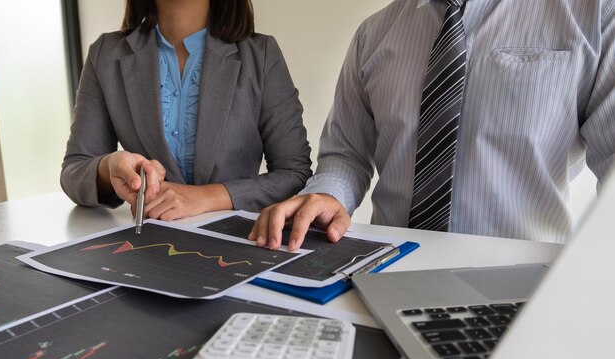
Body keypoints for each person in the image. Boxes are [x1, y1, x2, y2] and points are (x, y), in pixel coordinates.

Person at [250, 0, 615, 251]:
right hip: (386, 270)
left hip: (526, 287)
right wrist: (330, 195)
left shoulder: (595, 14)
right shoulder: (373, 35)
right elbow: (346, 154)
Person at [61, 0, 312, 220]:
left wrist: (207, 197)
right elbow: (74, 171)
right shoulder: (106, 54)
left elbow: (295, 174)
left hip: (235, 244)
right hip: (148, 247)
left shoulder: (261, 55)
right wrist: (109, 167)